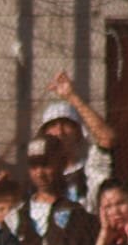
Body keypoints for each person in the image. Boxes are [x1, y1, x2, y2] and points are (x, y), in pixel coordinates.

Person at [38, 70, 116, 213]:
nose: (60, 132)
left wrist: (72, 96)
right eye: (53, 126)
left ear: (79, 133)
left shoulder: (90, 169)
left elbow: (106, 138)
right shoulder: (37, 177)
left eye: (66, 124)